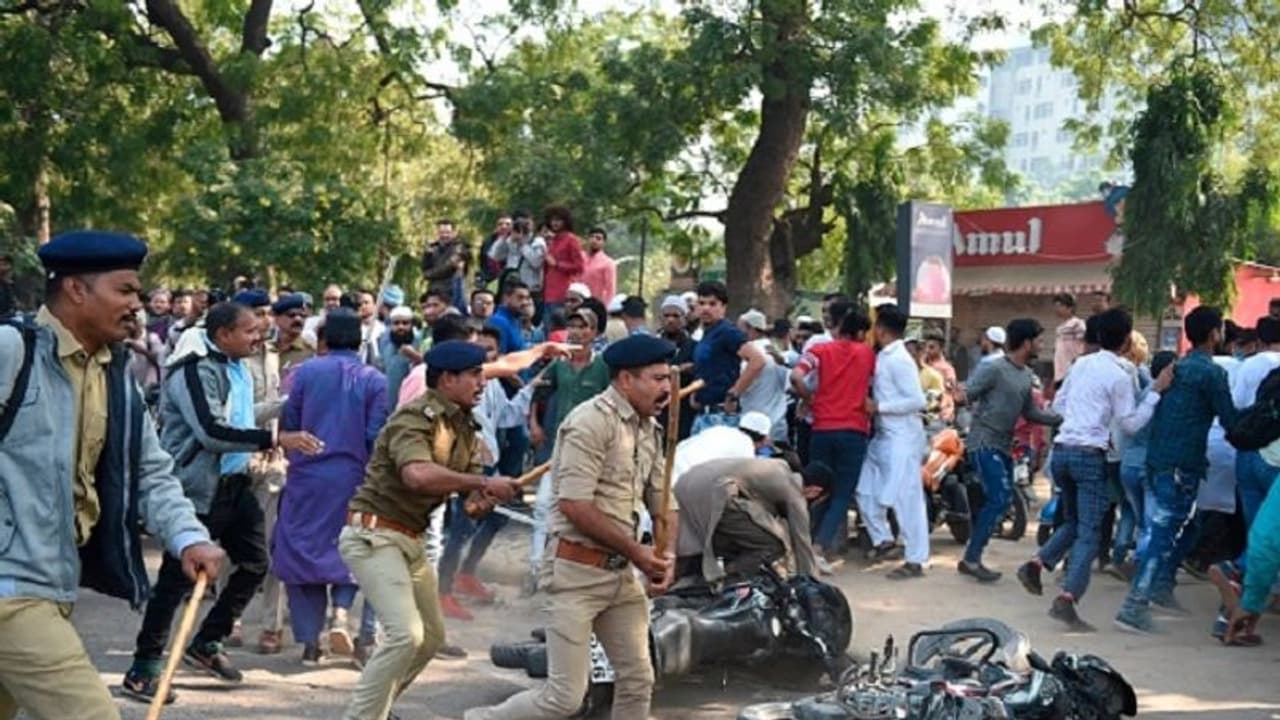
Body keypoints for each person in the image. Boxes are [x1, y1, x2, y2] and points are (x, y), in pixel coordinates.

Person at [0, 232, 223, 720]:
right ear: (76, 290)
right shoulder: (11, 350)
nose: (136, 305)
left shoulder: (115, 376)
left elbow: (151, 471)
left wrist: (188, 537)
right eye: (124, 290)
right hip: (13, 593)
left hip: (53, 585)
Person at [464, 334, 679, 720]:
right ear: (625, 380)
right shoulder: (589, 423)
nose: (667, 388)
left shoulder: (648, 427)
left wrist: (668, 554)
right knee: (564, 698)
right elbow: (575, 506)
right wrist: (639, 553)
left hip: (620, 576)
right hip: (575, 574)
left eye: (669, 378)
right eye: (658, 378)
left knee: (638, 680)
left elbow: (664, 502)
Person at [123, 301, 323, 699]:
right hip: (197, 489)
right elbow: (212, 431)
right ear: (223, 334)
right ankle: (144, 667)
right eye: (250, 331)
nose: (258, 337)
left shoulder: (236, 367)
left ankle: (207, 641)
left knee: (255, 563)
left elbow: (242, 418)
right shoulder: (194, 371)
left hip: (234, 483)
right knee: (176, 581)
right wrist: (276, 439)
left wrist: (288, 404)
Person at [340, 341, 521, 720]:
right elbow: (418, 476)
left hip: (409, 539)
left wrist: (486, 498)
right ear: (447, 380)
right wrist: (483, 482)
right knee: (406, 635)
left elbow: (470, 506)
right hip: (374, 536)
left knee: (430, 637)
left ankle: (376, 708)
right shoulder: (414, 419)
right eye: (474, 375)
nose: (482, 383)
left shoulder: (466, 426)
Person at [1016, 309, 1170, 631]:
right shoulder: (1121, 374)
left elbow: (1058, 406)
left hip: (1063, 451)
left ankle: (1038, 562)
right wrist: (1155, 393)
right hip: (1090, 455)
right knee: (1089, 531)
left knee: (1074, 522)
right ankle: (1068, 597)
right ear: (1127, 340)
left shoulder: (1082, 365)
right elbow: (1130, 424)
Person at [1115, 306, 1240, 634]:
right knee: (1163, 533)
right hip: (1182, 465)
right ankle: (1135, 605)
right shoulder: (1212, 374)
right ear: (1214, 334)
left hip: (1159, 461)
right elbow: (1232, 422)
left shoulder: (1174, 369)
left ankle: (1158, 587)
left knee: (1179, 526)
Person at [275, 309, 389, 666]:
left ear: (323, 339)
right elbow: (375, 435)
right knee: (354, 547)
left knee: (300, 551)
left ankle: (311, 643)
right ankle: (340, 613)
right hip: (355, 477)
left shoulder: (304, 373)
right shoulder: (375, 379)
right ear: (360, 340)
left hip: (307, 476)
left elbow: (290, 422)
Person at [956, 319, 1062, 583]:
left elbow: (1030, 412)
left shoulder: (1026, 375)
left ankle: (972, 554)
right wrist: (958, 394)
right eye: (1039, 340)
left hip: (1004, 444)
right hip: (983, 441)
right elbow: (968, 394)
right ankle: (971, 558)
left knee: (1001, 499)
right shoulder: (993, 368)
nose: (1042, 345)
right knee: (999, 497)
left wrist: (1061, 418)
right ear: (1026, 343)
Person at [526, 307, 611, 591]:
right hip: (557, 446)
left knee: (584, 507)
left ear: (595, 333)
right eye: (573, 326)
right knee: (543, 506)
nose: (577, 332)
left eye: (584, 326)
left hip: (592, 449)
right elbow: (537, 393)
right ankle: (537, 569)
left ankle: (577, 571)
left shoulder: (604, 367)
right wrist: (534, 424)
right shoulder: (558, 365)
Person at [790, 307, 875, 559]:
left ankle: (801, 542)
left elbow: (796, 376)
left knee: (816, 488)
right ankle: (819, 546)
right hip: (854, 430)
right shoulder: (867, 353)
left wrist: (809, 398)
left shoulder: (819, 350)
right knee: (842, 492)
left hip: (822, 428)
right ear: (860, 332)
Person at [231, 289, 289, 654]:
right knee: (231, 545)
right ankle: (230, 620)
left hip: (272, 462)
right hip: (236, 460)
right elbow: (237, 415)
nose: (266, 320)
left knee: (272, 545)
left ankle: (272, 625)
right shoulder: (227, 358)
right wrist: (284, 404)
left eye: (268, 313)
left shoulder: (273, 355)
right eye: (258, 313)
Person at [858, 305, 929, 579]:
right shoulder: (884, 356)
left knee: (906, 498)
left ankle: (916, 559)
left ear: (880, 329)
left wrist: (880, 407)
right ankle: (883, 539)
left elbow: (917, 400)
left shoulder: (899, 359)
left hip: (903, 436)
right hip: (884, 435)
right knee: (865, 488)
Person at [675, 457, 829, 584]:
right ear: (815, 491)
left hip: (687, 483)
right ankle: (725, 581)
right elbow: (802, 541)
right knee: (772, 545)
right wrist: (812, 585)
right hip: (716, 493)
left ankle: (704, 575)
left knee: (747, 537)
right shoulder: (793, 492)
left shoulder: (778, 466)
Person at [690, 281, 767, 420]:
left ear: (723, 307)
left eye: (712, 304)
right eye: (701, 303)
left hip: (721, 414)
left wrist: (735, 393)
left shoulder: (728, 332)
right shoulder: (707, 333)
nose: (706, 308)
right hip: (704, 412)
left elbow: (757, 360)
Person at [488, 217, 546, 307]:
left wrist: (522, 244)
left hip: (530, 288)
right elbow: (495, 256)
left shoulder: (537, 242)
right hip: (511, 285)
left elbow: (536, 262)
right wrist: (503, 238)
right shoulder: (510, 240)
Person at [540, 206, 586, 318]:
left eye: (558, 220)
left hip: (563, 293)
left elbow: (580, 266)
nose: (555, 223)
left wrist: (557, 264)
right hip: (548, 293)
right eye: (552, 220)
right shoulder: (552, 240)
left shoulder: (571, 240)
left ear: (565, 221)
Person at [421, 218, 469, 312]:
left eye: (447, 232)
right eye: (441, 232)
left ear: (453, 233)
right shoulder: (431, 248)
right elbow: (424, 269)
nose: (444, 235)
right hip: (434, 293)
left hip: (452, 293)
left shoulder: (460, 248)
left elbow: (448, 267)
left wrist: (429, 274)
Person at [379, 306, 423, 407]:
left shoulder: (419, 341)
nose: (400, 327)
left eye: (405, 323)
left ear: (411, 324)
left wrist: (416, 356)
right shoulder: (385, 342)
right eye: (396, 323)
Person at [271, 293, 315, 392]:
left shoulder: (311, 353)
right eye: (291, 315)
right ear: (277, 319)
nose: (298, 319)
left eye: (303, 316)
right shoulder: (265, 348)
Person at [921, 329, 957, 423]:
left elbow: (950, 392)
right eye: (925, 347)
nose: (927, 350)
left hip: (940, 416)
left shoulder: (947, 369)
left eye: (931, 347)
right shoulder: (922, 363)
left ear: (941, 348)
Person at [1053, 293, 1086, 387]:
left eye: (1060, 306)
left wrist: (1077, 359)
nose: (1057, 309)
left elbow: (1083, 344)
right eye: (1056, 306)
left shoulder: (1077, 324)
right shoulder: (1060, 327)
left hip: (1072, 369)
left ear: (1070, 308)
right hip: (1060, 371)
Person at [490, 280, 532, 354]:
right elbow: (499, 356)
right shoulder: (498, 322)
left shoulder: (515, 319)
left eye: (527, 298)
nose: (525, 302)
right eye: (520, 297)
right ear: (506, 298)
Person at [581, 226, 616, 304]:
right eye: (592, 237)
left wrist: (604, 307)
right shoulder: (580, 257)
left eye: (598, 238)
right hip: (576, 301)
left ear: (604, 243)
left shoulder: (608, 263)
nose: (594, 240)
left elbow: (610, 290)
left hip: (595, 304)